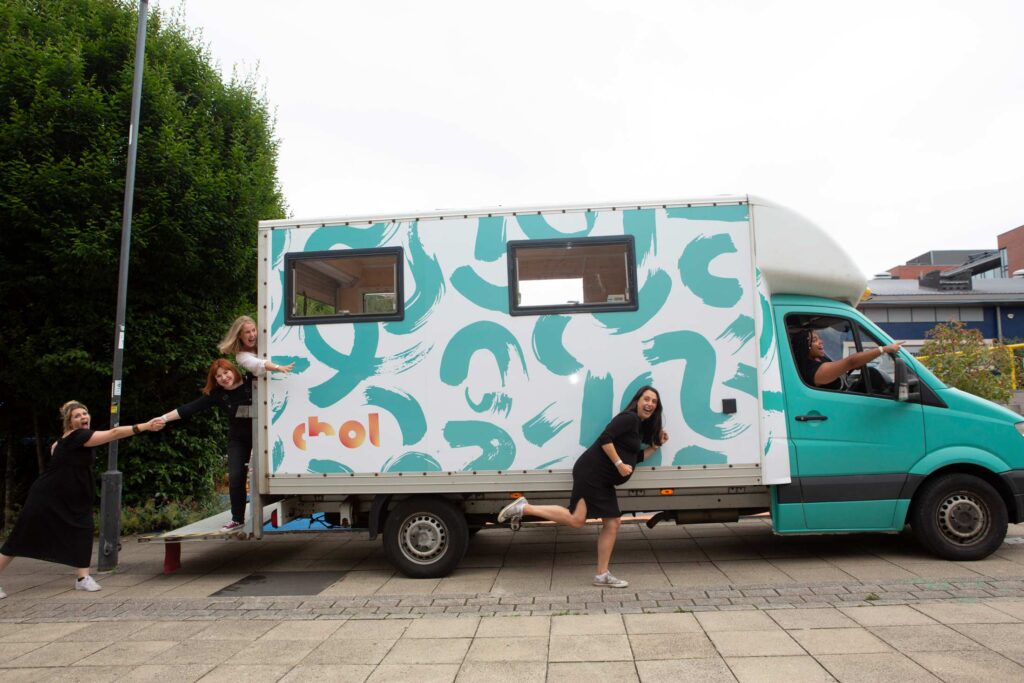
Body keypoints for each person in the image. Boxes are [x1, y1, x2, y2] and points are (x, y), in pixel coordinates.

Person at [497, 386, 668, 588]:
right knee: (577, 519)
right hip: (592, 473)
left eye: (654, 402)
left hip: (602, 479)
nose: (649, 404)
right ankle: (524, 508)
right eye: (646, 399)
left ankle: (602, 575)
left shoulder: (638, 426)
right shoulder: (628, 418)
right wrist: (619, 464)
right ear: (637, 401)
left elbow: (636, 457)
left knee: (612, 523)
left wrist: (654, 447)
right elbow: (605, 439)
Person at [0, 402, 164, 599]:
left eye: (85, 413)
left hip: (74, 497)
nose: (83, 417)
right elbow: (113, 434)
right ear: (70, 422)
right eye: (77, 416)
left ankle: (82, 578)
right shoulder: (78, 436)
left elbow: (59, 450)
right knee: (20, 537)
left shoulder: (65, 439)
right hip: (48, 496)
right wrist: (145, 426)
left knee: (83, 530)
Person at [156, 359, 255, 532]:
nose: (224, 378)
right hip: (238, 439)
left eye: (226, 372)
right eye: (219, 376)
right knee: (235, 476)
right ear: (215, 380)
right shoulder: (218, 395)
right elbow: (190, 408)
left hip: (263, 434)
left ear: (233, 370)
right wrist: (163, 419)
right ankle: (237, 518)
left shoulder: (251, 382)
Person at [790, 329, 904, 391]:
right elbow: (850, 362)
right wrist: (884, 349)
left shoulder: (820, 360)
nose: (821, 341)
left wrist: (854, 365)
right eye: (815, 340)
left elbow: (847, 365)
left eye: (819, 338)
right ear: (805, 346)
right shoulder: (813, 371)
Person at [219, 315, 294, 377]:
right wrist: (278, 367)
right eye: (247, 332)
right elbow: (259, 364)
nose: (252, 335)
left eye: (254, 330)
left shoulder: (263, 339)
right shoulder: (241, 357)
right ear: (239, 335)